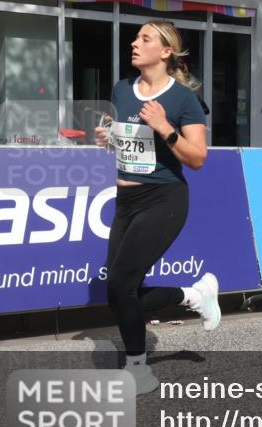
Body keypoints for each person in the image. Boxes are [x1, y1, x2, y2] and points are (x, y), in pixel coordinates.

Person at [94, 20, 221, 395]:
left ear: (165, 52)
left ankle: (138, 371)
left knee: (121, 285)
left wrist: (166, 127)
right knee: (118, 294)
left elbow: (197, 158)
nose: (134, 43)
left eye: (144, 38)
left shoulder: (182, 100)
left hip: (163, 199)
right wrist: (109, 137)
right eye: (136, 37)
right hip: (125, 200)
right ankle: (193, 296)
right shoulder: (121, 88)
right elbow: (127, 142)